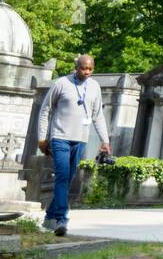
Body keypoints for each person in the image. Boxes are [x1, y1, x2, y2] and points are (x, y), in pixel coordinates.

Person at [36, 53, 110, 237]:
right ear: (76, 67)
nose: (87, 72)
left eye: (90, 69)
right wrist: (41, 139)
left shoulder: (94, 87)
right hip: (60, 137)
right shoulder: (61, 83)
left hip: (81, 139)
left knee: (68, 178)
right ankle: (61, 219)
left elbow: (97, 116)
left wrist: (105, 140)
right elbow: (45, 111)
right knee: (61, 176)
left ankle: (49, 216)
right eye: (83, 68)